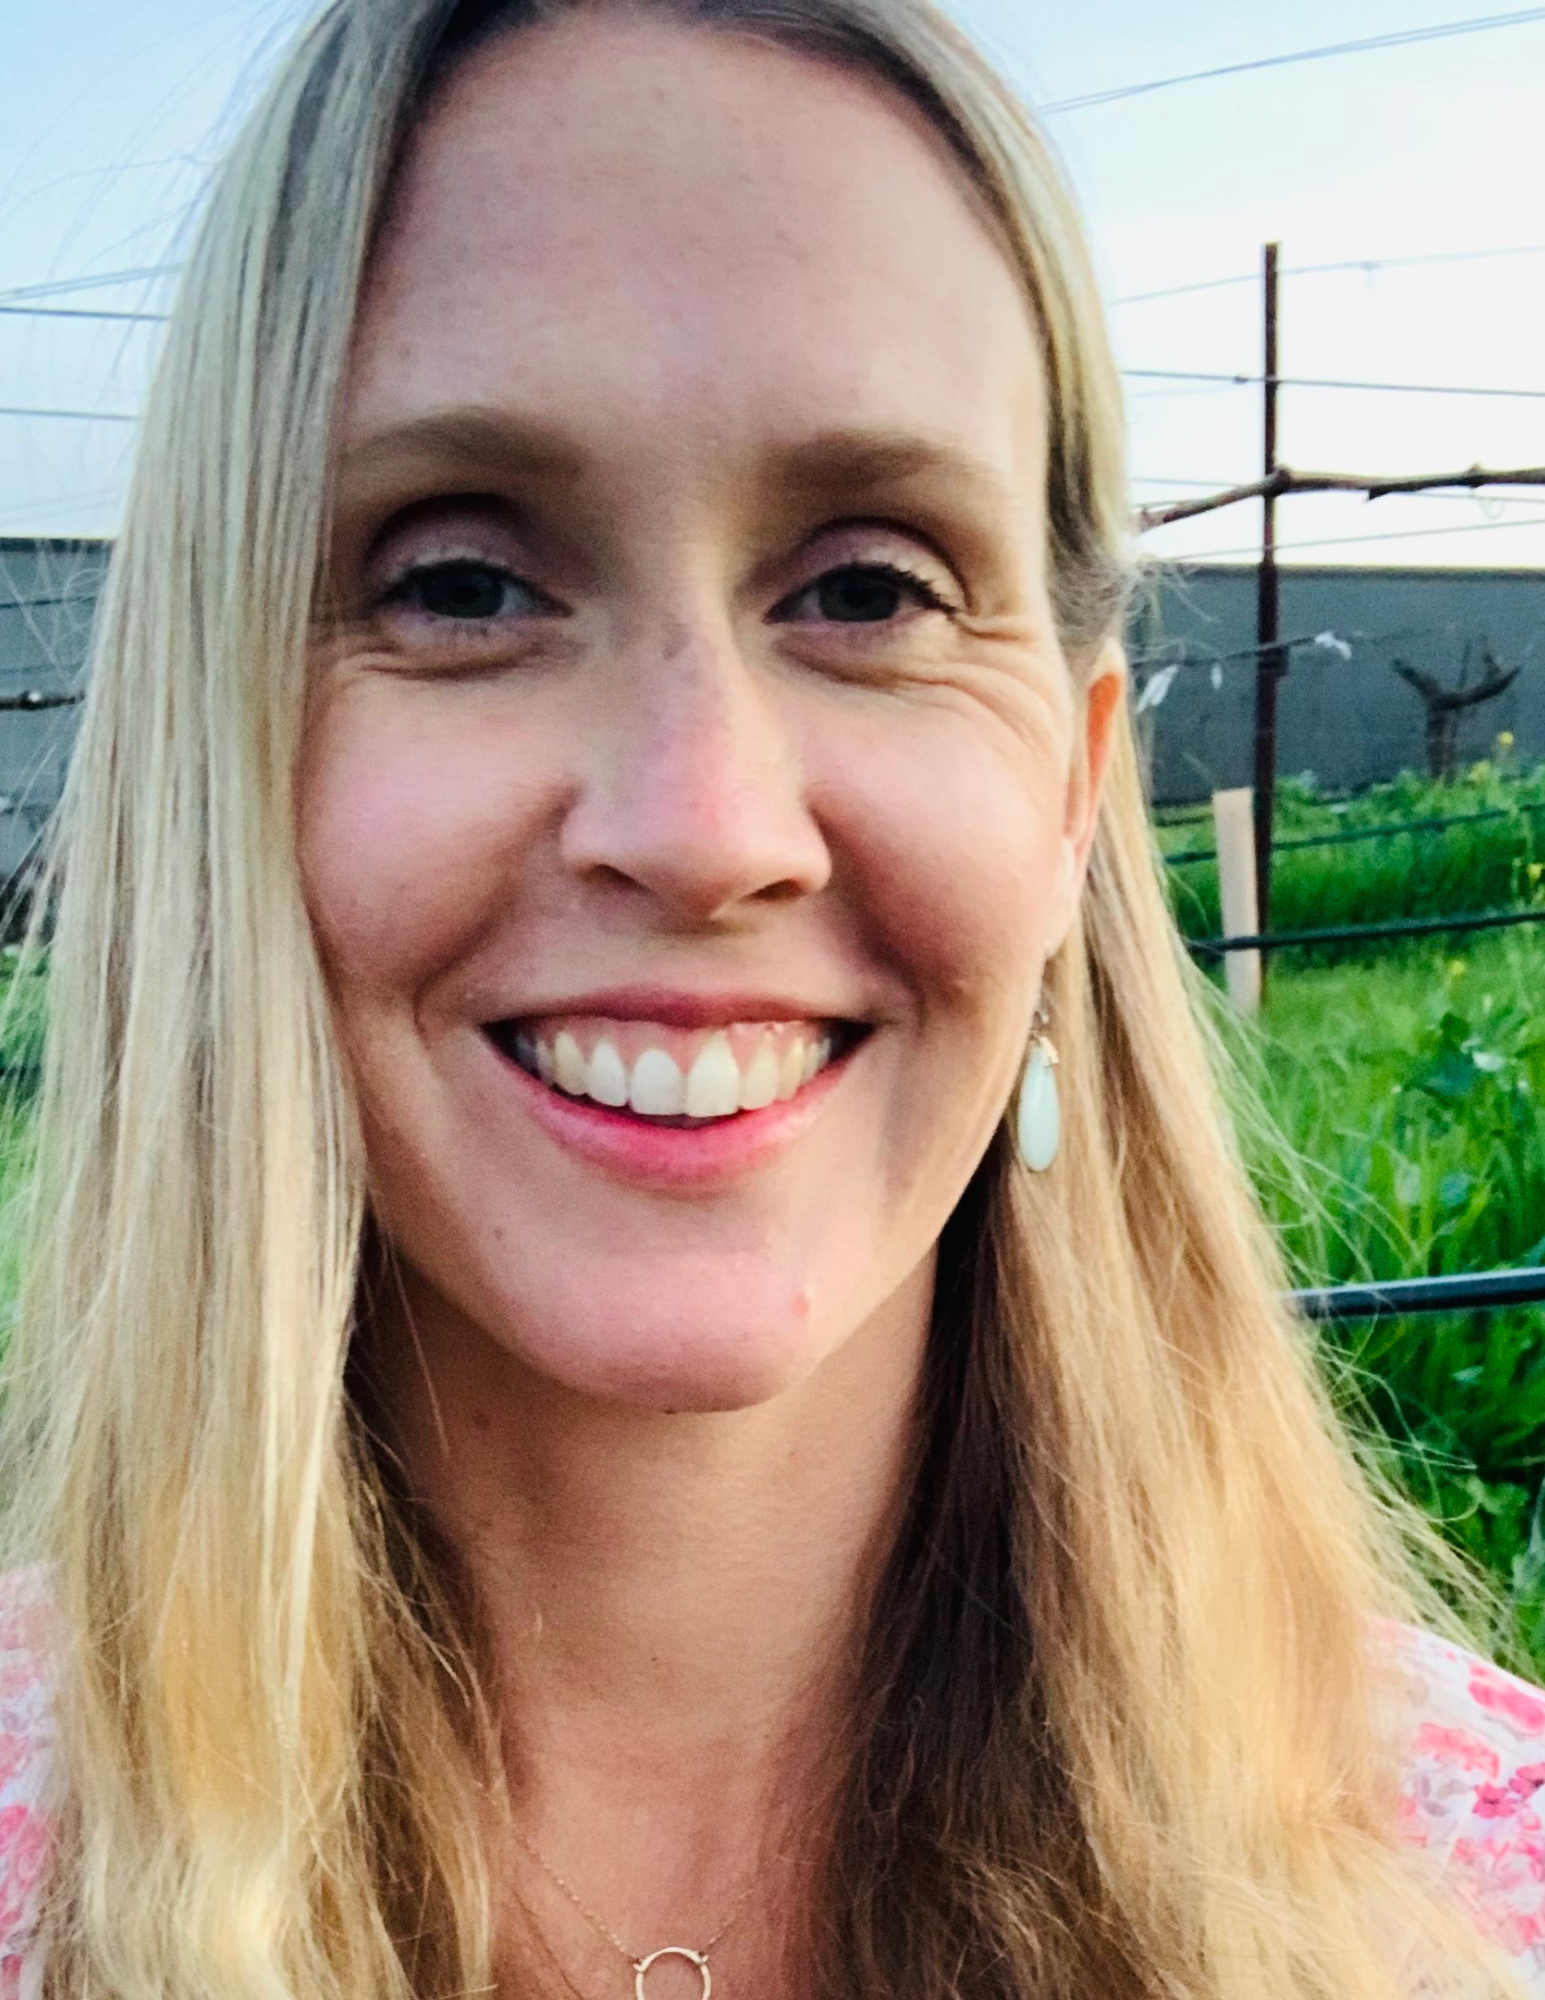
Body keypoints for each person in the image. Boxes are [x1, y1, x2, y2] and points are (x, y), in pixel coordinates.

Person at [0, 2, 1543, 1997]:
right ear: (224, 748)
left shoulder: (1468, 1901)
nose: (705, 824)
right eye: (463, 581)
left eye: (870, 587)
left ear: (1074, 793)